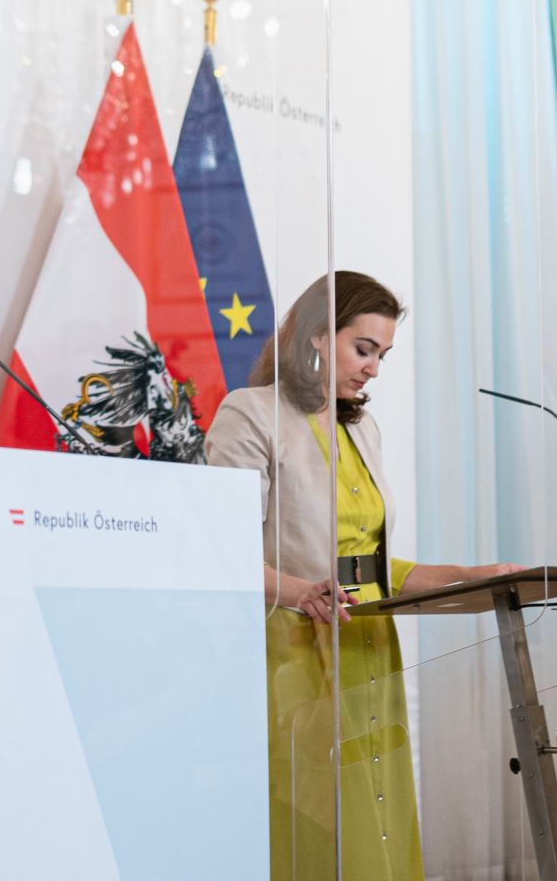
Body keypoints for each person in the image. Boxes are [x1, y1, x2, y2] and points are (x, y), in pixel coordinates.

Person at [206, 271, 522, 880]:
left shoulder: (361, 427)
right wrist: (302, 592)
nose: (374, 368)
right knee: (317, 828)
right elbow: (220, 552)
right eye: (364, 349)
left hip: (369, 649)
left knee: (378, 823)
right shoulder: (250, 415)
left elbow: (370, 567)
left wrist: (470, 576)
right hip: (291, 655)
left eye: (384, 354)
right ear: (318, 338)